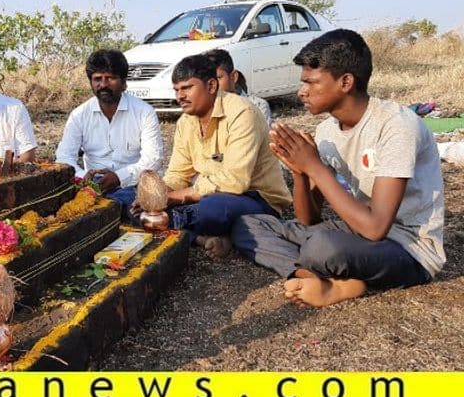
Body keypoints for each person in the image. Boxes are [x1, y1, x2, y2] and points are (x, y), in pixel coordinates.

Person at [232, 29, 445, 307]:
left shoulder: (396, 126)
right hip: (355, 230)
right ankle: (311, 277)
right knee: (248, 224)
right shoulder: (327, 131)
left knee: (321, 246)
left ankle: (339, 280)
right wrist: (300, 171)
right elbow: (309, 218)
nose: (302, 91)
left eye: (311, 82)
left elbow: (376, 228)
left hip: (408, 246)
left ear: (345, 82)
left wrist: (315, 166)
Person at [136, 54, 291, 258]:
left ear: (211, 86)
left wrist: (174, 198)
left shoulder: (242, 113)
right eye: (176, 90)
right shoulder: (186, 122)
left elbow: (236, 182)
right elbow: (177, 174)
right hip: (209, 196)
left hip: (256, 199)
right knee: (132, 200)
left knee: (212, 209)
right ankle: (205, 238)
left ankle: (189, 229)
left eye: (187, 88)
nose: (180, 96)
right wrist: (157, 195)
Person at [55, 49, 163, 215]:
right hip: (91, 187)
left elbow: (153, 159)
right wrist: (84, 179)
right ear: (91, 82)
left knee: (131, 203)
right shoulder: (79, 115)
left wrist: (119, 177)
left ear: (124, 82)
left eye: (110, 78)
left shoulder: (144, 112)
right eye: (97, 79)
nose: (103, 85)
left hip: (132, 186)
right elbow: (64, 157)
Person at [203, 48, 272, 124]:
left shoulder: (257, 106)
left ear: (233, 77)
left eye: (218, 78)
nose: (213, 86)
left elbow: (262, 135)